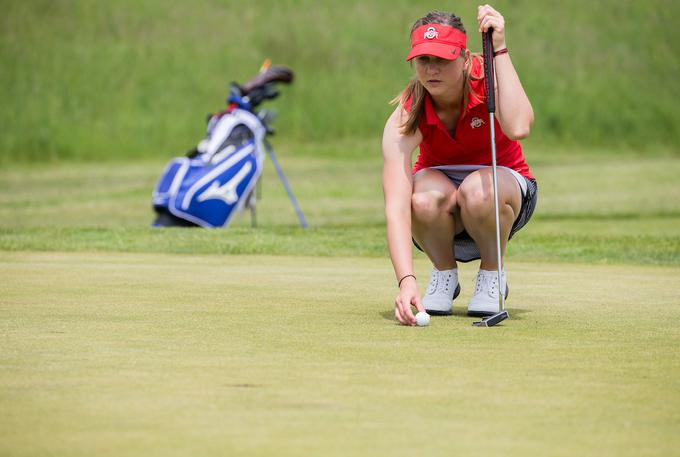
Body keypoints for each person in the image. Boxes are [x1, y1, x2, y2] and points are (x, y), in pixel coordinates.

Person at [382, 5, 538, 326]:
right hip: (440, 202)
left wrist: (500, 48)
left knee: (477, 191)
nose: (432, 69)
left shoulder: (488, 81)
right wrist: (406, 279)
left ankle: (492, 275)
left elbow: (520, 126)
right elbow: (397, 206)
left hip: (501, 191)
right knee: (421, 198)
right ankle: (443, 273)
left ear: (465, 58)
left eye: (443, 59)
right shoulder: (408, 112)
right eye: (424, 60)